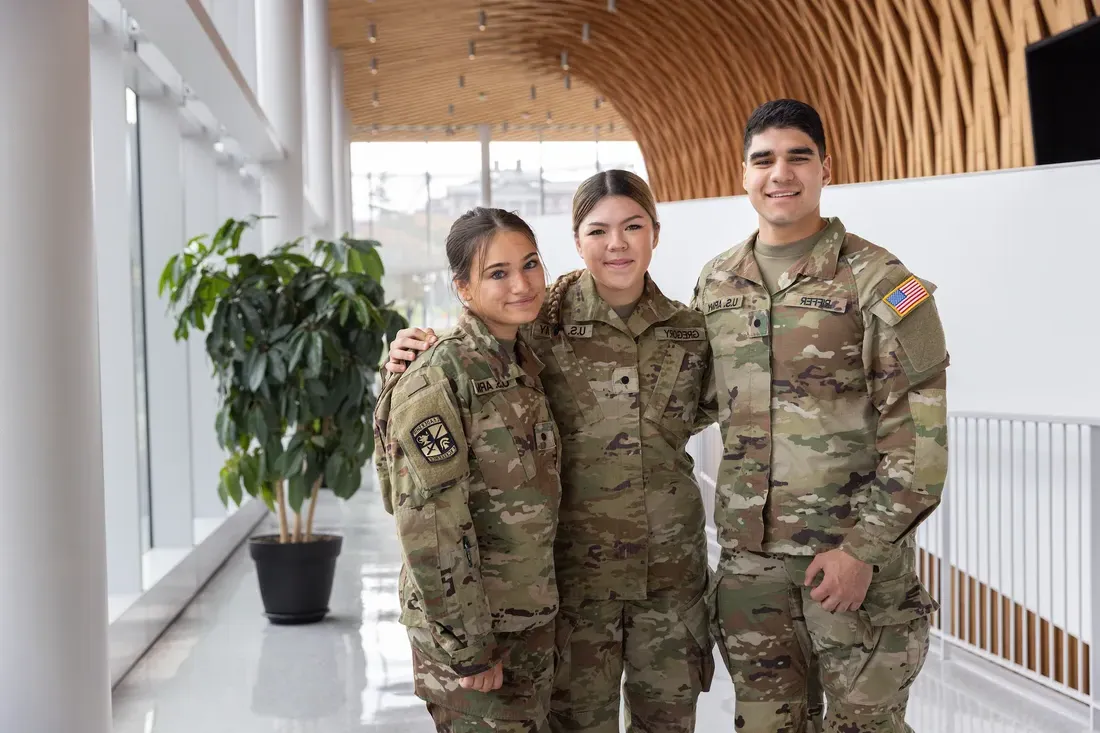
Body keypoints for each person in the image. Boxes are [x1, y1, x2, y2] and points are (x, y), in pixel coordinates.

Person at [386, 170, 714, 733]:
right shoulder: (539, 325)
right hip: (570, 591)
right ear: (576, 238)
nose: (617, 244)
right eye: (599, 229)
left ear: (656, 233)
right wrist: (400, 363)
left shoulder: (691, 331)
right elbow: (458, 386)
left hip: (669, 582)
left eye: (633, 226)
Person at [692, 98, 949, 732]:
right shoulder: (718, 282)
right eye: (764, 159)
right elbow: (673, 394)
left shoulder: (880, 282)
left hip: (853, 570)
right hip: (751, 574)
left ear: (824, 169)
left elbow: (922, 442)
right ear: (744, 173)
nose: (780, 173)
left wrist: (861, 551)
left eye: (797, 157)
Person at [373, 207, 563, 733]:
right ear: (463, 288)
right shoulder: (440, 376)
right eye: (497, 273)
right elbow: (429, 528)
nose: (521, 284)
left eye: (530, 264)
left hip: (527, 620)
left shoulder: (521, 360)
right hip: (476, 636)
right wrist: (470, 647)